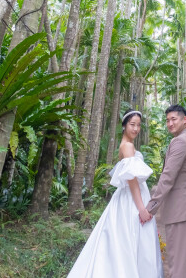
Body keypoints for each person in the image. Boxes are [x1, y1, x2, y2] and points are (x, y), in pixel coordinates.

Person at [67, 110, 163, 278]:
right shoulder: (127, 146)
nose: (136, 128)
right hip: (132, 200)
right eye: (132, 124)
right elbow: (132, 179)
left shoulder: (126, 144)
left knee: (125, 241)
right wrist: (141, 208)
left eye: (138, 125)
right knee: (132, 239)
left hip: (128, 197)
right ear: (124, 125)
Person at [143, 105, 186, 278]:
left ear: (184, 119)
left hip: (182, 213)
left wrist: (151, 207)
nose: (170, 124)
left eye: (174, 119)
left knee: (179, 268)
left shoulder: (180, 142)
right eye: (167, 120)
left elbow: (168, 177)